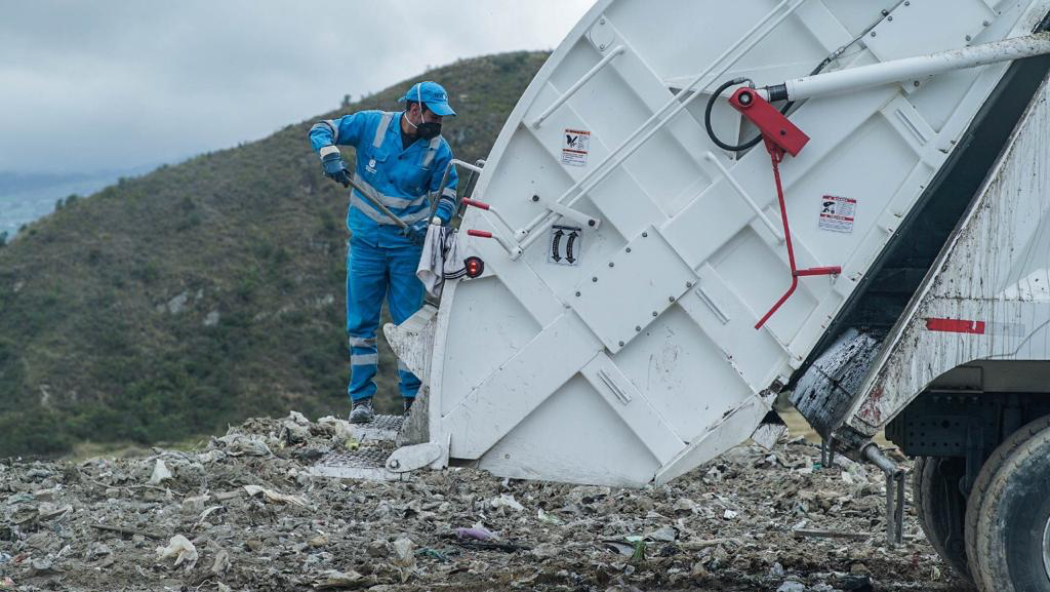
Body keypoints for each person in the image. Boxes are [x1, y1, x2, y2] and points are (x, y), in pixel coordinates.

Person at [309, 81, 459, 424]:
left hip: (407, 248)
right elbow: (322, 129)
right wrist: (328, 154)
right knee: (361, 323)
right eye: (435, 116)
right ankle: (361, 401)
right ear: (414, 109)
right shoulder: (371, 125)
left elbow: (446, 194)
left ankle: (411, 402)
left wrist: (432, 223)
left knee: (408, 325)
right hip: (365, 246)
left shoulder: (439, 149)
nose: (438, 123)